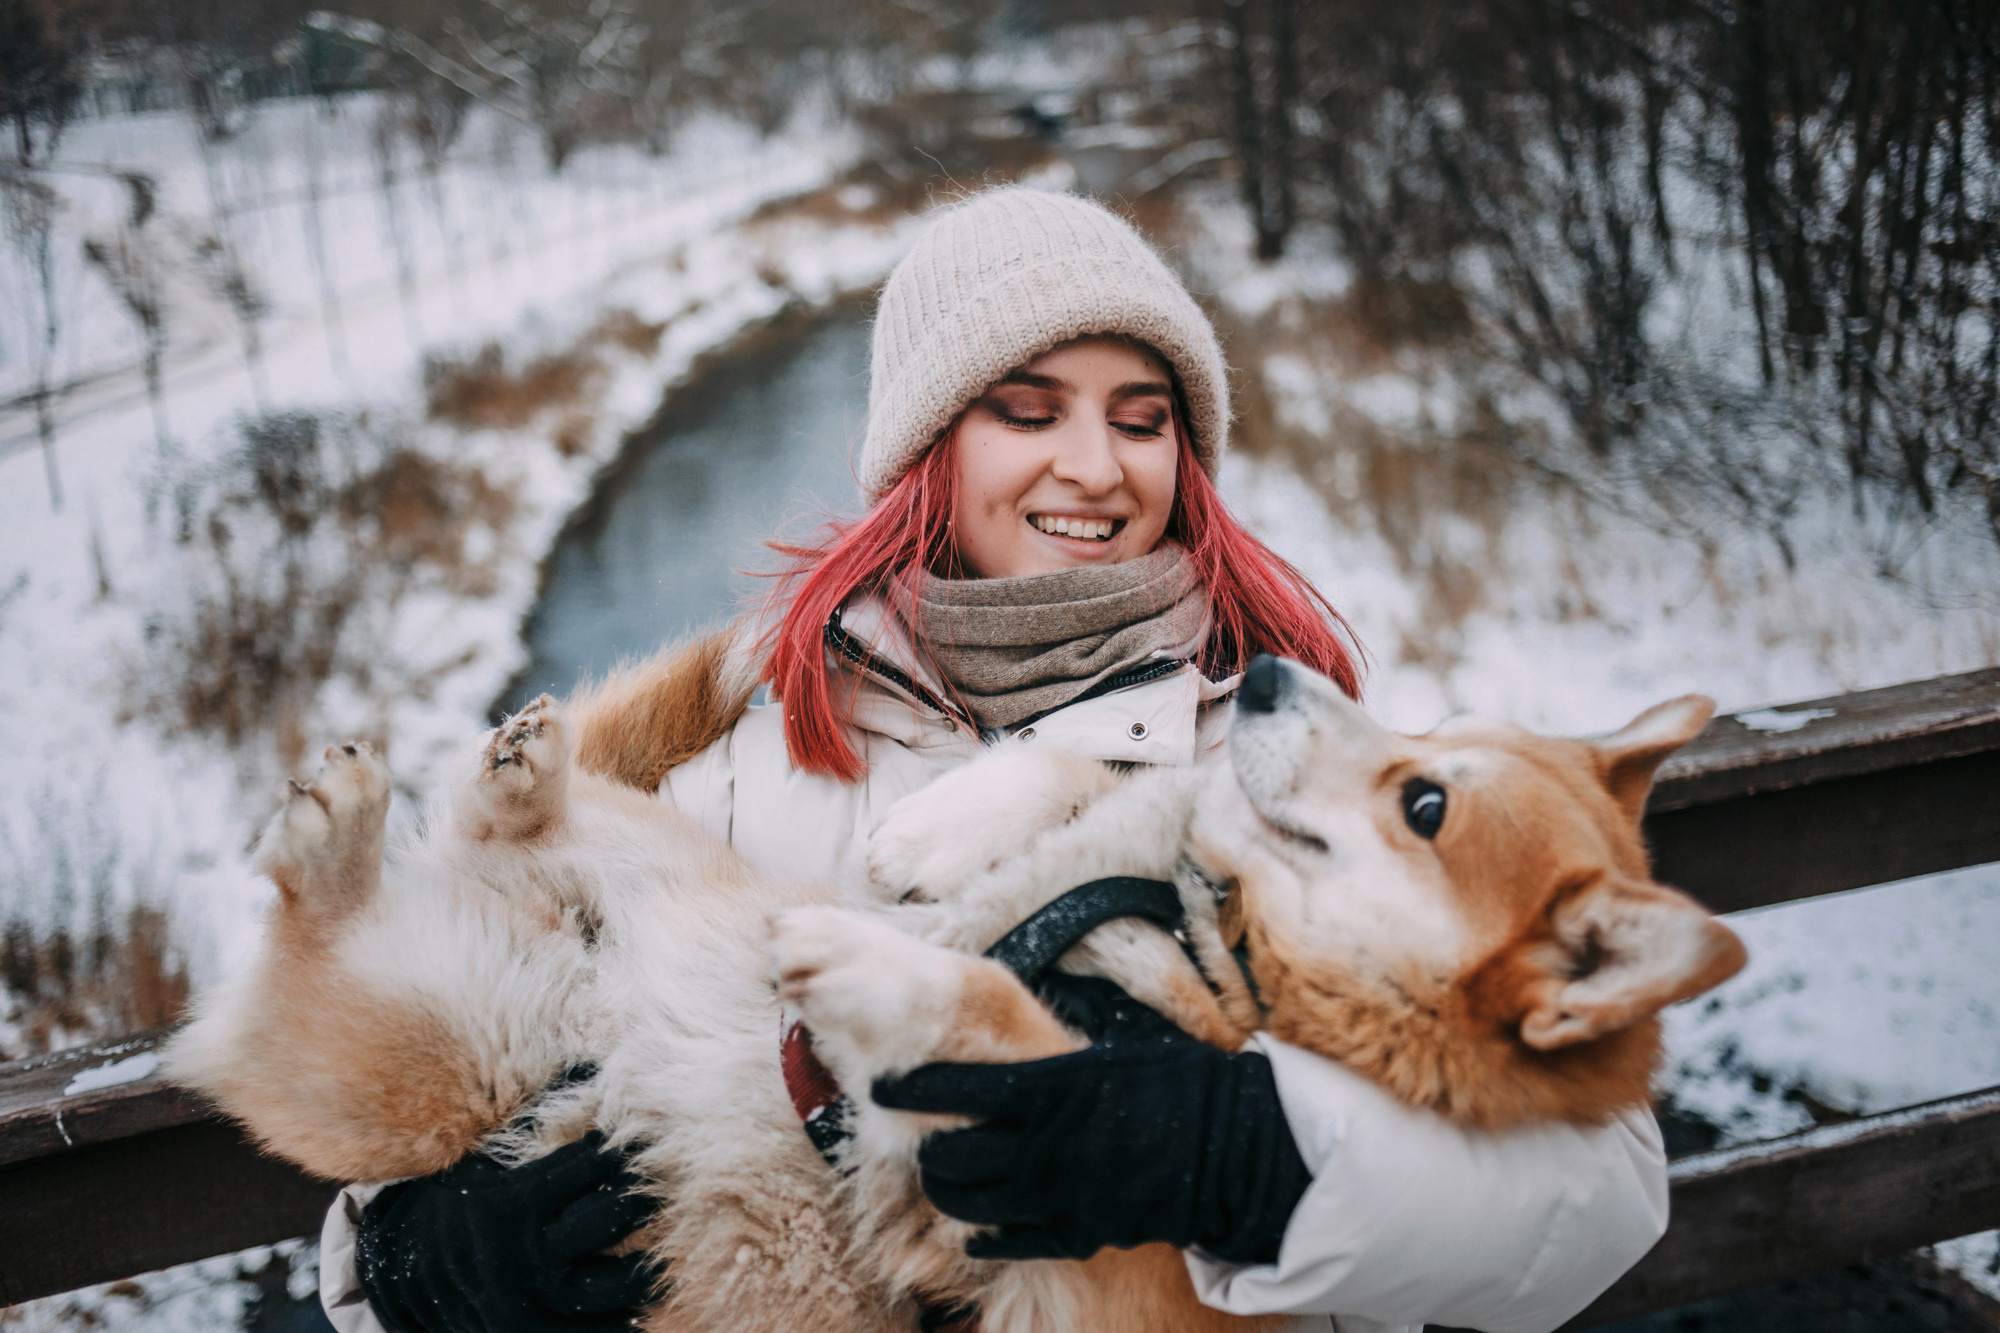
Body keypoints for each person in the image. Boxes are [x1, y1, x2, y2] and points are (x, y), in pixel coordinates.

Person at [320, 186, 1668, 1333]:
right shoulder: (747, 747)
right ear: (931, 447)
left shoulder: (1282, 761)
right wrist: (405, 1264)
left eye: (1143, 418)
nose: (1095, 466)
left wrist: (1248, 1148)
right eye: (1030, 409)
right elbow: (466, 1024)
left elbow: (1602, 1193)